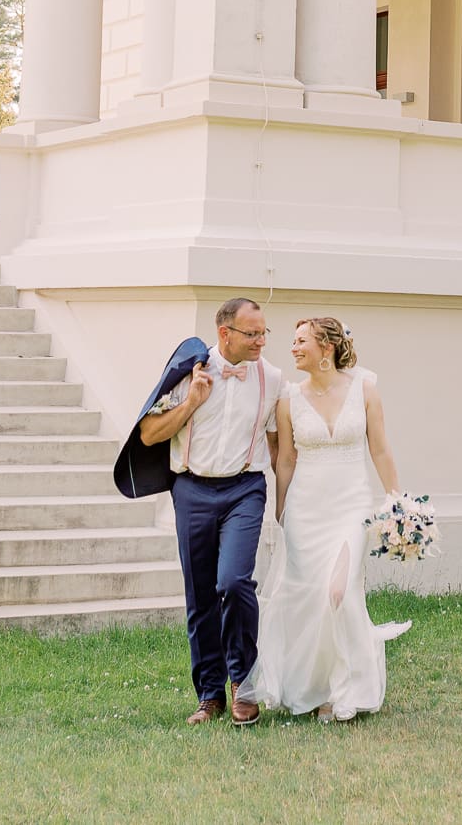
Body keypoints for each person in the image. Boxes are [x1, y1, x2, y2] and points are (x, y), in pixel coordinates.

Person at [241, 316, 411, 723]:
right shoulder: (288, 398)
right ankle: (318, 690)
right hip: (305, 508)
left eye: (301, 341)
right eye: (293, 341)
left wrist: (397, 503)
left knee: (340, 589)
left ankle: (348, 686)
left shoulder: (364, 390)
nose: (294, 348)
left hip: (352, 505)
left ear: (327, 347)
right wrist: (282, 511)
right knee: (308, 598)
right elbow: (285, 459)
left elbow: (381, 450)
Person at [133, 296, 282, 727]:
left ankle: (244, 683)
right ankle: (209, 694)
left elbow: (277, 446)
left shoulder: (272, 379)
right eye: (252, 334)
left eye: (263, 333)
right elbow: (148, 435)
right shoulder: (189, 370)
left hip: (244, 489)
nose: (260, 341)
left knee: (234, 582)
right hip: (192, 488)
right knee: (200, 595)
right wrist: (192, 402)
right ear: (225, 333)